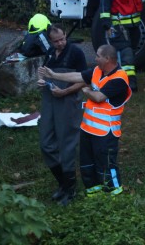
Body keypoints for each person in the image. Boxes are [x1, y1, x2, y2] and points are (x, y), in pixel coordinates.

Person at [39, 44, 130, 197]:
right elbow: (78, 76)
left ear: (107, 59)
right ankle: (94, 192)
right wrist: (53, 75)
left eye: (98, 56)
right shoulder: (97, 71)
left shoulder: (120, 78)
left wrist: (86, 90)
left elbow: (99, 97)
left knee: (106, 164)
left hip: (106, 132)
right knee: (87, 164)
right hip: (88, 129)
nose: (95, 59)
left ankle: (114, 194)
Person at [37, 24, 87, 206]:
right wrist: (42, 80)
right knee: (46, 144)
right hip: (50, 100)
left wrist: (65, 92)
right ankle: (62, 183)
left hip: (68, 101)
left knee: (67, 144)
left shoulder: (75, 53)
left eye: (62, 39)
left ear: (65, 35)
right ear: (50, 41)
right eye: (56, 41)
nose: (60, 43)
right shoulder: (50, 53)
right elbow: (44, 72)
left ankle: (70, 189)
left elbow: (84, 79)